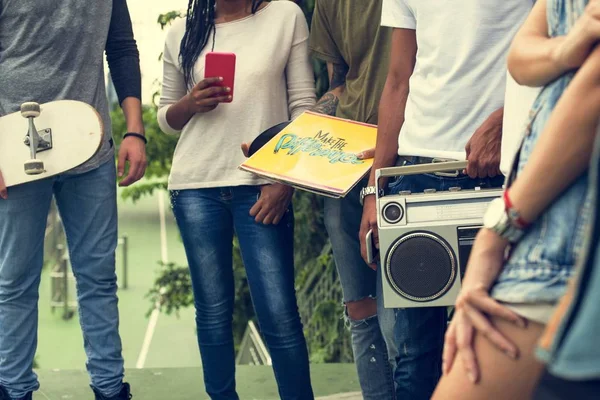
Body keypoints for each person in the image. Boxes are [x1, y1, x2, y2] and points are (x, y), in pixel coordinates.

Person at [359, 1, 534, 398]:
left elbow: (569, 56)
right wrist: (375, 189)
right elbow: (398, 79)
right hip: (414, 175)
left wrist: (510, 118)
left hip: (501, 172)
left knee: (504, 344)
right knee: (413, 355)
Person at [433, 0, 600, 398]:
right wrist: (565, 48)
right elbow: (521, 56)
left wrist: (496, 233)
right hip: (550, 234)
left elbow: (591, 94)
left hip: (565, 247)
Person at [156, 0, 316, 398]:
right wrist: (190, 104)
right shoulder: (182, 31)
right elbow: (165, 120)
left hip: (263, 185)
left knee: (279, 314)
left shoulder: (285, 16)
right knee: (212, 313)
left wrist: (285, 180)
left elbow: (305, 109)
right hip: (196, 184)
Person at [0, 0, 146, 399]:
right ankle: (13, 389)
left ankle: (109, 388)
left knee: (98, 277)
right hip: (14, 151)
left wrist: (135, 130)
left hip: (88, 144)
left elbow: (121, 48)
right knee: (14, 280)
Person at [306, 1, 397, 398]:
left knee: (404, 311)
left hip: (407, 153)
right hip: (348, 159)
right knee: (360, 308)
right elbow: (338, 83)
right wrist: (292, 144)